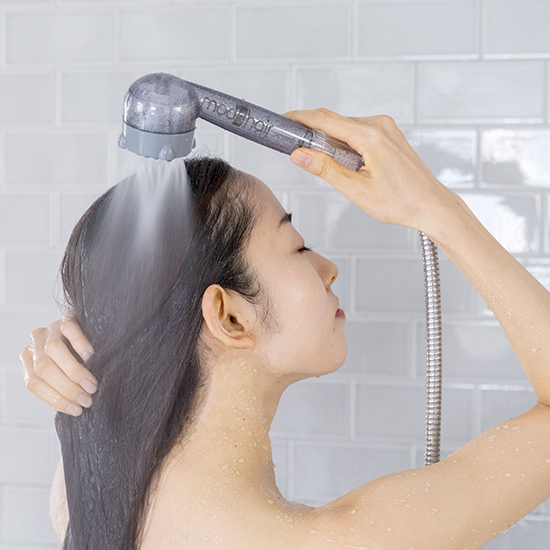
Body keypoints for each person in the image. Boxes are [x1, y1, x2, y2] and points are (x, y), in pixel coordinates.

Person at [21, 109, 550, 550]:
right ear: (230, 317)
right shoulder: (338, 541)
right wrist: (437, 209)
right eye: (298, 247)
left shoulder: (80, 498)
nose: (328, 268)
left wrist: (88, 348)